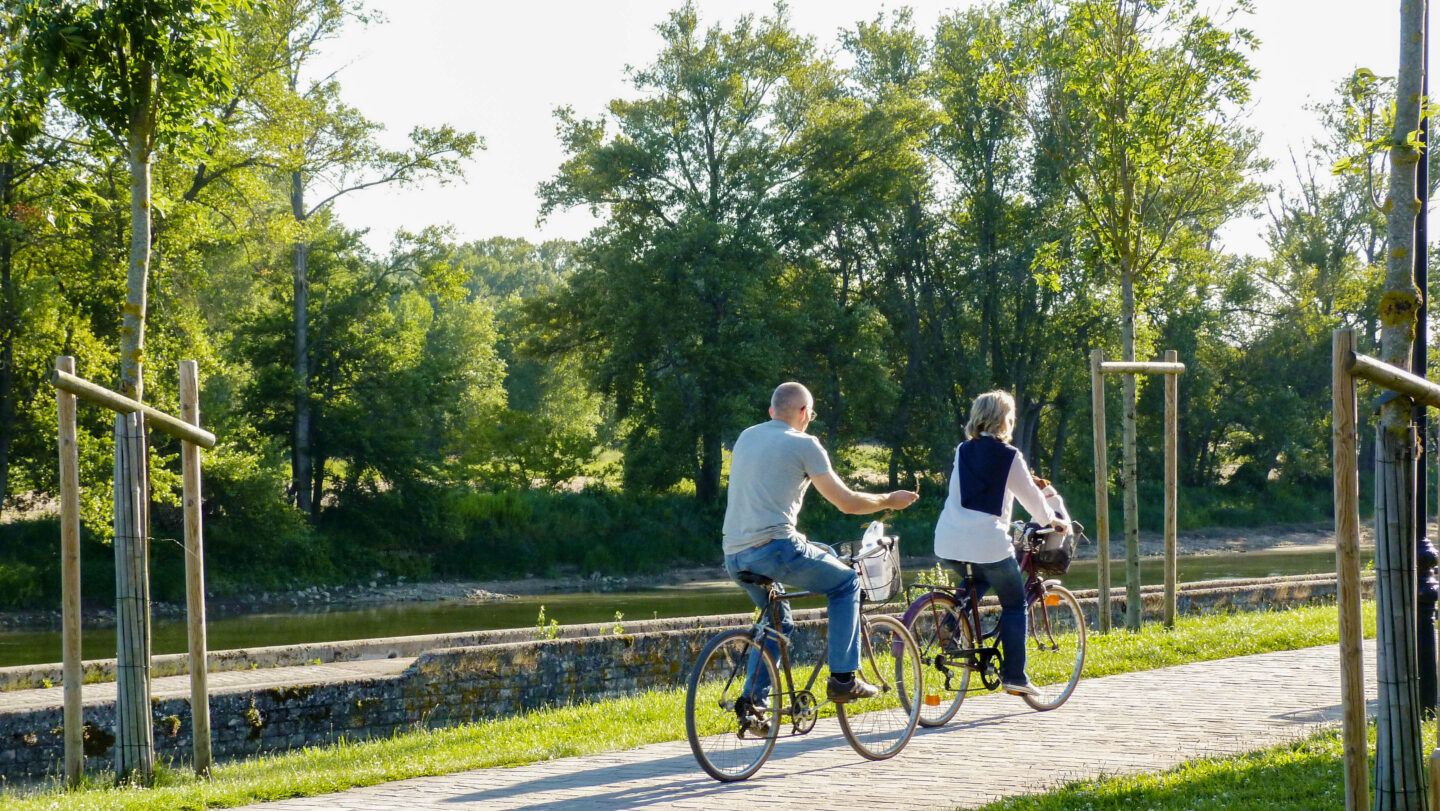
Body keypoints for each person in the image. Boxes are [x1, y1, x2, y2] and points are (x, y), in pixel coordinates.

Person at [723, 382, 919, 709]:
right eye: (810, 414)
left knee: (778, 619)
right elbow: (846, 502)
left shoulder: (747, 436)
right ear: (803, 413)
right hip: (775, 548)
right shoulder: (805, 443)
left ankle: (753, 702)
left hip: (735, 554)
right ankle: (844, 678)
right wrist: (889, 500)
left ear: (772, 411)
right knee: (846, 583)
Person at [933, 390, 1069, 697]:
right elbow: (1032, 499)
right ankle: (1015, 677)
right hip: (988, 542)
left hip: (947, 541)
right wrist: (1052, 521)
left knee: (978, 579)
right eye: (1011, 416)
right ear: (1003, 420)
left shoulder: (962, 450)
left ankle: (951, 623)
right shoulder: (1010, 456)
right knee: (1014, 602)